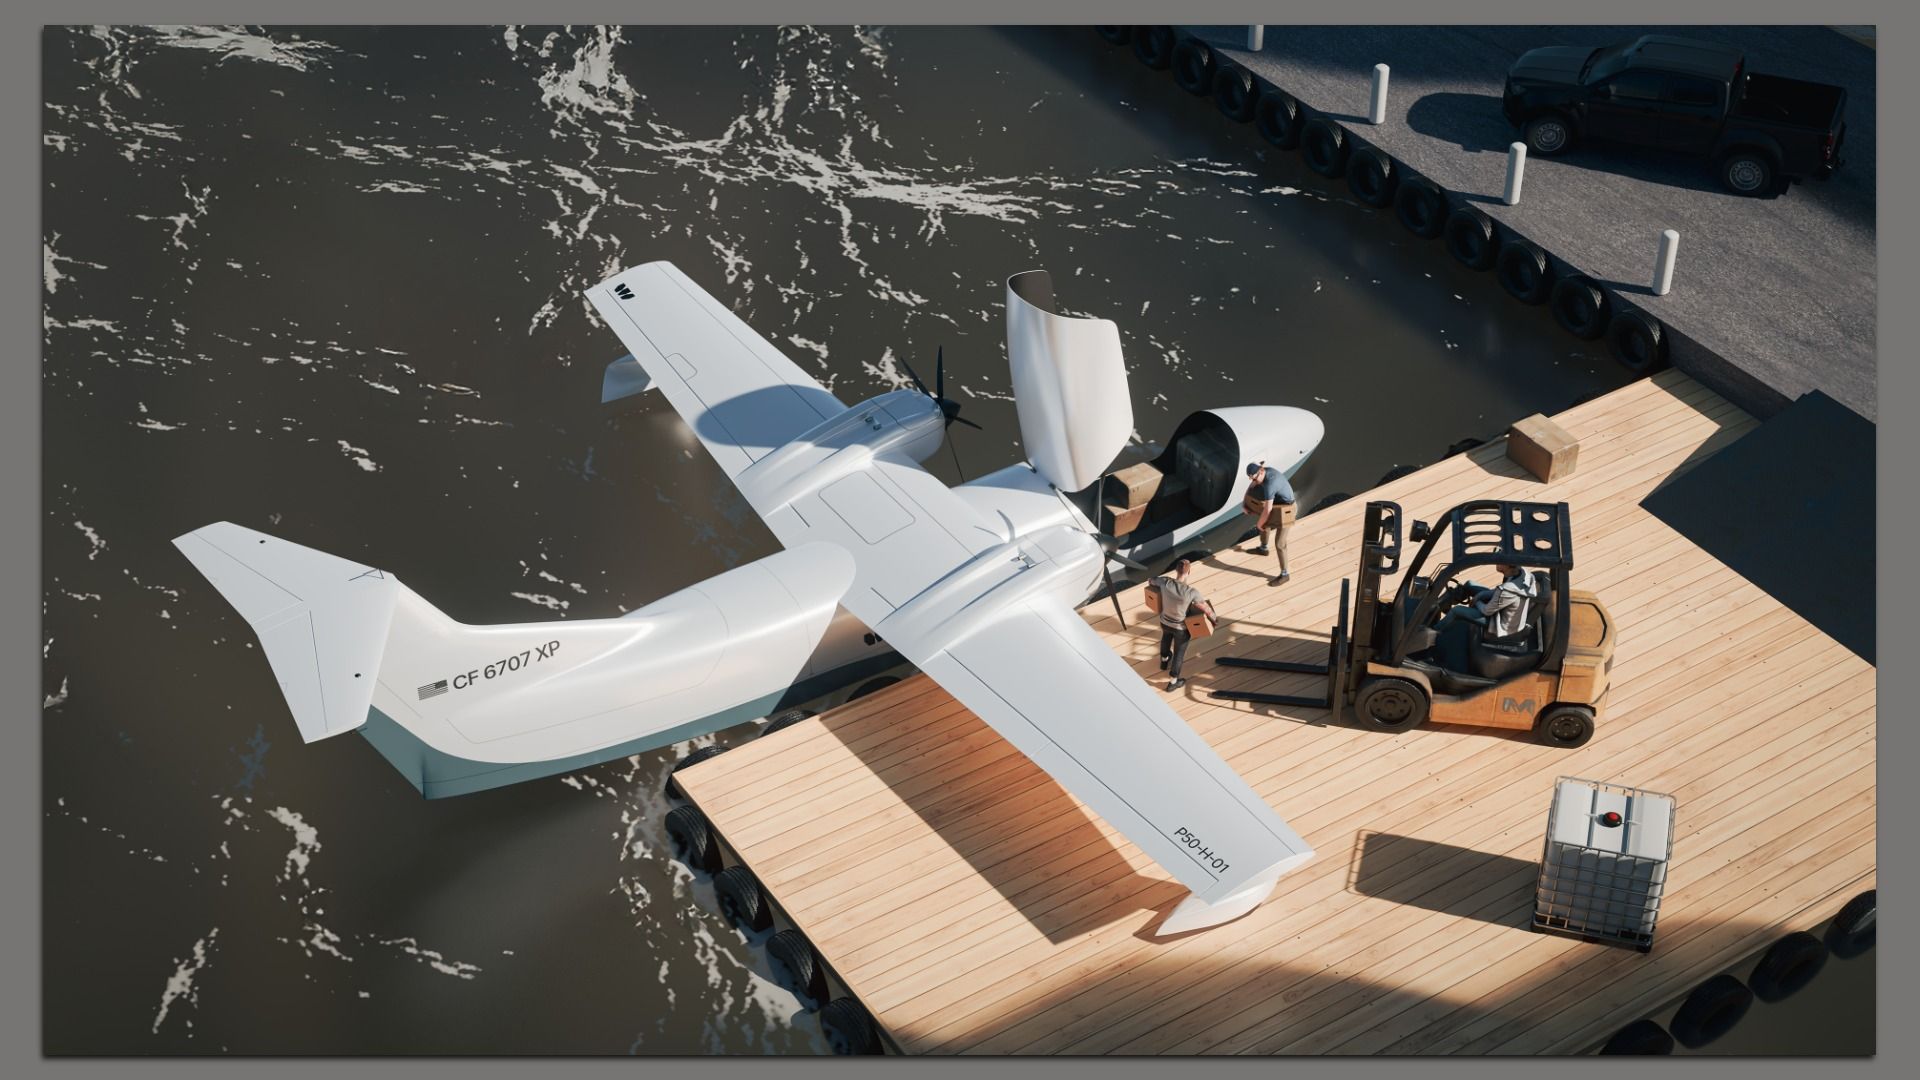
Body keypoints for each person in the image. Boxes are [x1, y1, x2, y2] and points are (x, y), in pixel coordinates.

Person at [1428, 563, 1538, 671]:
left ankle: (1432, 633)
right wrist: (1479, 595)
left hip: (1498, 623)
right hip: (1502, 608)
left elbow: (1487, 611)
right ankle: (1444, 606)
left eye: (1500, 561)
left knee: (1456, 611)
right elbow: (1498, 592)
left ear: (1509, 566)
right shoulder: (1518, 573)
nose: (1497, 562)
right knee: (1469, 584)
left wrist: (1476, 601)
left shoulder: (1508, 591)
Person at [1147, 555, 1215, 692]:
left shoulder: (1165, 582)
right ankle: (1173, 682)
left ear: (1176, 571)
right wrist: (1214, 619)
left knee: (1166, 638)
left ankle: (1164, 660)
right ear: (1189, 573)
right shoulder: (1191, 593)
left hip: (1164, 622)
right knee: (1179, 653)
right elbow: (1205, 608)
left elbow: (1151, 581)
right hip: (1180, 628)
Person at [1243, 462, 1297, 586]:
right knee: (1264, 523)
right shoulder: (1262, 473)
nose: (1254, 481)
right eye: (1251, 478)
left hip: (1287, 509)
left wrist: (1258, 525)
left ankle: (1285, 574)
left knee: (1280, 543)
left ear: (1261, 472)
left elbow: (1267, 510)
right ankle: (1263, 549)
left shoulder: (1270, 484)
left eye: (1255, 478)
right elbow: (1251, 487)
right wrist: (1244, 504)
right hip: (1277, 504)